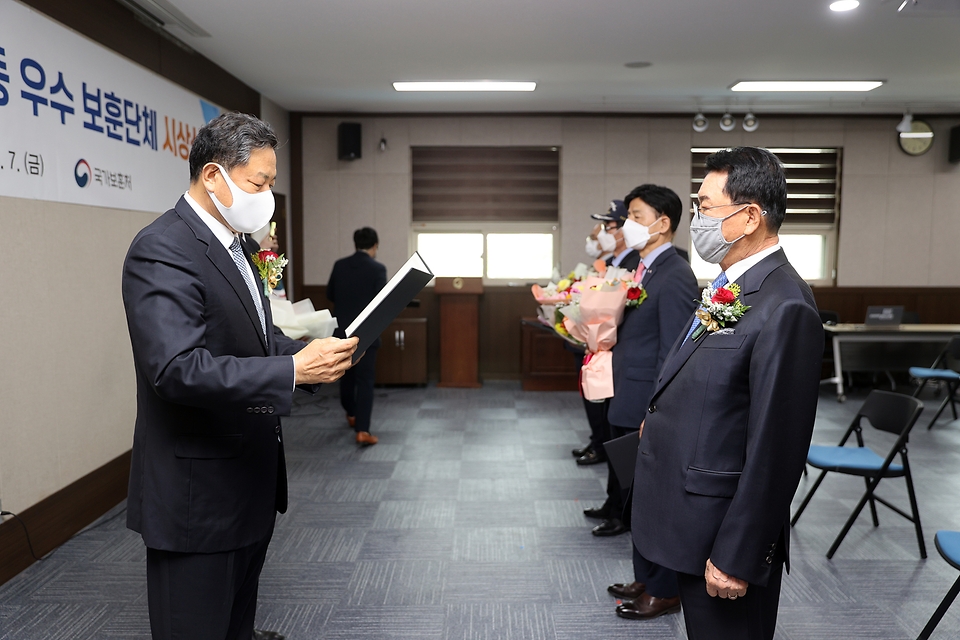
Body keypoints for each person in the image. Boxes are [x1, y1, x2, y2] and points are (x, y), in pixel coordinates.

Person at [121, 112, 359, 640]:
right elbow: (176, 369)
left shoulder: (237, 243)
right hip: (196, 496)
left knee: (236, 626)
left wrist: (308, 361)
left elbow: (254, 340)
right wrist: (291, 369)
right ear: (212, 176)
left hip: (246, 483)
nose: (268, 195)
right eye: (260, 182)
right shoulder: (163, 248)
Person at [632, 147, 823, 640]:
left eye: (705, 207)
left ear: (750, 216)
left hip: (724, 535)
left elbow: (777, 449)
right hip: (693, 519)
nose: (696, 220)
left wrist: (738, 554)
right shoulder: (732, 286)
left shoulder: (784, 305)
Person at [582, 185, 698, 618]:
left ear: (662, 222)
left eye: (635, 214)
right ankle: (645, 576)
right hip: (625, 395)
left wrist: (658, 412)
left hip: (646, 405)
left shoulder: (675, 273)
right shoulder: (643, 267)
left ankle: (665, 588)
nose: (627, 224)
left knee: (655, 501)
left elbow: (674, 351)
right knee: (636, 497)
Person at [571, 200, 640, 468]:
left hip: (621, 357)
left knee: (616, 430)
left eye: (608, 227)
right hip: (602, 351)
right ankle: (599, 443)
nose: (602, 234)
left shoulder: (636, 262)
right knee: (601, 412)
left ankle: (602, 448)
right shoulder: (609, 261)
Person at [327, 227, 388, 446]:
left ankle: (351, 413)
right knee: (365, 380)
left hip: (341, 331)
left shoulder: (340, 265)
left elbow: (330, 294)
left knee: (345, 374)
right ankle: (362, 430)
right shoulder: (377, 269)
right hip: (366, 333)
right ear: (375, 246)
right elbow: (382, 302)